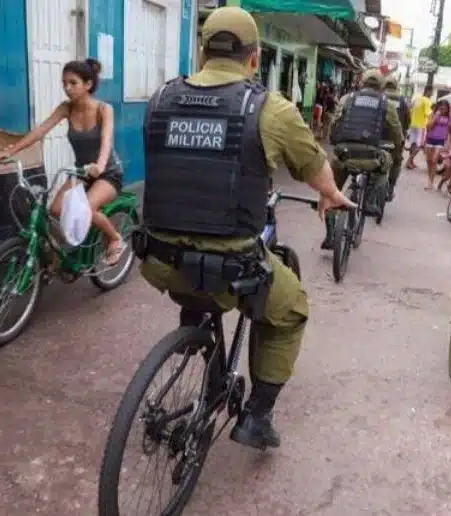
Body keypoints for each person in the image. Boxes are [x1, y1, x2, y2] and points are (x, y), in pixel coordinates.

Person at [137, 6, 355, 450]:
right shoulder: (270, 109)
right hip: (229, 266)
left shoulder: (159, 100)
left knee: (200, 285)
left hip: (157, 259)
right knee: (290, 309)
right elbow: (313, 168)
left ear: (202, 52)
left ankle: (196, 322)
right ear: (254, 58)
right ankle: (257, 418)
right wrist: (330, 194)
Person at [0, 58, 127, 266]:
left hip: (108, 173)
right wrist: (11, 151)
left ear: (88, 84)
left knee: (85, 209)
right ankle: (66, 252)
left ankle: (114, 238)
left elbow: (106, 140)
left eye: (73, 83)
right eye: (64, 83)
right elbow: (41, 130)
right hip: (81, 172)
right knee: (55, 210)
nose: (67, 88)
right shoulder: (66, 108)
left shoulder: (104, 109)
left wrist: (100, 165)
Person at [324, 68, 405, 248]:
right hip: (371, 156)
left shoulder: (347, 99)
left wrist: (335, 143)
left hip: (343, 154)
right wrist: (397, 148)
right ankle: (369, 201)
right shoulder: (386, 104)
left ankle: (330, 234)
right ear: (381, 87)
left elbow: (334, 125)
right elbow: (396, 132)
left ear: (362, 83)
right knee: (387, 165)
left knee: (330, 191)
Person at [383, 76, 410, 201]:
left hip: (378, 137)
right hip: (396, 140)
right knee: (397, 162)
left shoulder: (380, 96)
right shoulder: (403, 101)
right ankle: (390, 186)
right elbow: (408, 121)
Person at [424, 100, 451, 190]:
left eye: (445, 107)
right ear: (439, 107)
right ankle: (430, 180)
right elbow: (428, 127)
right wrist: (436, 116)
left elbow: (450, 132)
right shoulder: (434, 114)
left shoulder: (449, 117)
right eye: (441, 107)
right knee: (428, 161)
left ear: (448, 108)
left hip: (440, 141)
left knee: (434, 160)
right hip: (430, 139)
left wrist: (448, 144)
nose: (443, 108)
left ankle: (430, 183)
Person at [405, 85, 432, 170]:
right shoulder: (427, 101)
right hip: (421, 125)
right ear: (428, 91)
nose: (431, 94)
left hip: (413, 124)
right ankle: (409, 161)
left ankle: (411, 162)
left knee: (413, 143)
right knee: (419, 145)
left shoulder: (416, 99)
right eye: (431, 92)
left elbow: (409, 108)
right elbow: (428, 114)